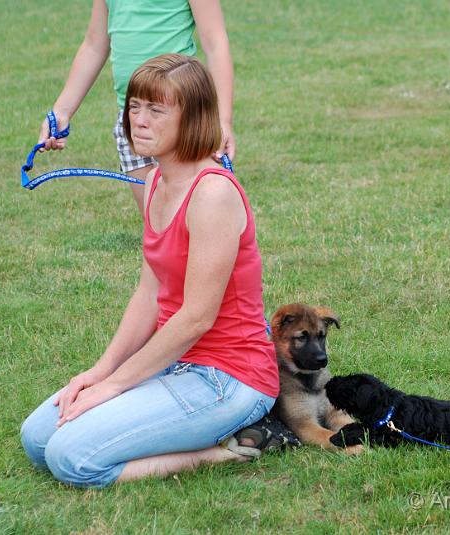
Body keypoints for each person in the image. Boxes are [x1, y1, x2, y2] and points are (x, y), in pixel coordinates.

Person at [21, 54, 280, 488]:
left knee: (72, 459)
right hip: (174, 361)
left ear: (194, 118)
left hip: (229, 378)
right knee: (37, 439)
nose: (138, 120)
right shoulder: (157, 181)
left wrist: (116, 386)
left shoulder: (212, 193)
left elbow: (196, 317)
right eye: (135, 106)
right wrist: (98, 374)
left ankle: (219, 453)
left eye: (156, 110)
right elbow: (149, 294)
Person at [37, 0, 235, 212]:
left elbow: (216, 43)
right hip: (132, 119)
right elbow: (94, 45)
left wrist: (222, 121)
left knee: (196, 211)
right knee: (156, 218)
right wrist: (62, 110)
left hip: (179, 116)